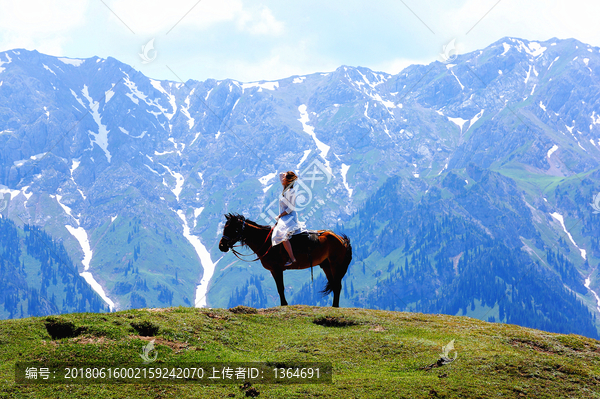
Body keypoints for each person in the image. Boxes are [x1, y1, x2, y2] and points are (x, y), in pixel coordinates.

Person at [272, 171, 306, 266]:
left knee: (281, 234)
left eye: (284, 177)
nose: (282, 178)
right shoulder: (285, 190)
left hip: (289, 216)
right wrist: (285, 174)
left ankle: (292, 258)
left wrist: (280, 216)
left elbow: (291, 208)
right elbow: (279, 174)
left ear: (288, 181)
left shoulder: (290, 192)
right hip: (285, 216)